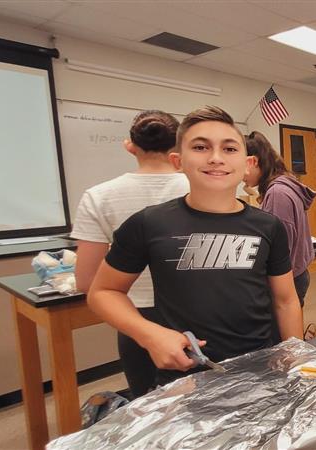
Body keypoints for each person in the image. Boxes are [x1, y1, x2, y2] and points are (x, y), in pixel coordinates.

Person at [87, 106, 304, 386]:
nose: (216, 158)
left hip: (260, 369)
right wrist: (149, 334)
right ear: (178, 161)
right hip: (185, 376)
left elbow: (285, 300)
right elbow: (103, 292)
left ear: (248, 163)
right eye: (201, 147)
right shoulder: (148, 223)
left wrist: (296, 357)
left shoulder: (268, 226)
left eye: (229, 149)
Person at [71, 110, 188, 398]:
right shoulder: (201, 186)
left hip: (135, 317)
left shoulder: (99, 196)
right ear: (177, 146)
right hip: (200, 311)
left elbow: (86, 281)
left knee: (149, 413)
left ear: (130, 145)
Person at [243, 131, 316, 307]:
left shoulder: (277, 193)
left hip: (287, 279)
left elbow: (280, 245)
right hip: (296, 274)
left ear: (254, 162)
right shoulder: (281, 185)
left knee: (282, 333)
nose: (241, 175)